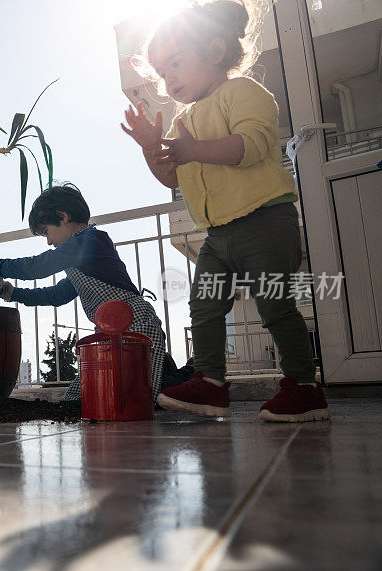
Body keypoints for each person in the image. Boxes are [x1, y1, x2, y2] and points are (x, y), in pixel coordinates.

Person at [121, 0, 329, 422]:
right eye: (162, 72)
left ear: (215, 52)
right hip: (219, 234)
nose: (168, 79)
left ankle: (304, 388)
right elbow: (172, 180)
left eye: (175, 63)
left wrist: (192, 149)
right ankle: (211, 383)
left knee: (274, 305)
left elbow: (250, 146)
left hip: (265, 220)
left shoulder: (244, 92)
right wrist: (150, 149)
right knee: (204, 305)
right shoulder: (186, 118)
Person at [0, 183, 191, 404]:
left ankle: (190, 373)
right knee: (89, 399)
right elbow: (55, 295)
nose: (50, 242)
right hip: (110, 334)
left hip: (135, 325)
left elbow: (38, 267)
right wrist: (7, 291)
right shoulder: (80, 261)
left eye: (47, 232)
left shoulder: (92, 241)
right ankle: (161, 368)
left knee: (140, 397)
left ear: (63, 216)